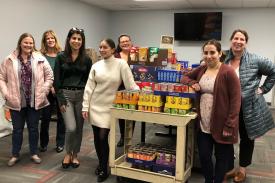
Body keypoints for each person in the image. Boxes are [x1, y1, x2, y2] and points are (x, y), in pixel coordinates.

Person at [181, 39, 241, 183]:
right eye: (206, 53)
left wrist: (230, 124)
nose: (209, 56)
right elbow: (184, 77)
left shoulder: (228, 72)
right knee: (204, 156)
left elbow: (236, 100)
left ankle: (218, 180)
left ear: (220, 53)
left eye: (212, 52)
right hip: (203, 122)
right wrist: (193, 82)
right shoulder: (202, 69)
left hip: (222, 123)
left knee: (221, 157)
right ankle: (209, 180)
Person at [82, 38, 139, 182]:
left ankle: (104, 166)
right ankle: (102, 164)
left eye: (105, 47)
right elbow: (89, 88)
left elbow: (130, 85)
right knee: (97, 138)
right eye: (100, 47)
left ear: (113, 50)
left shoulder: (121, 64)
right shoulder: (96, 65)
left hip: (110, 107)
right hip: (95, 105)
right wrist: (85, 106)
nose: (101, 50)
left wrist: (143, 94)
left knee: (102, 137)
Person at [223, 29, 275, 183]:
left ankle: (242, 169)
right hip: (228, 106)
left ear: (246, 42)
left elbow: (273, 71)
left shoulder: (255, 59)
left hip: (248, 107)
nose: (238, 41)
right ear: (231, 40)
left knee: (246, 138)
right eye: (236, 38)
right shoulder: (224, 58)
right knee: (228, 137)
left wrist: (263, 89)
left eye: (242, 39)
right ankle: (231, 167)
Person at [0, 33, 53, 166]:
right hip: (16, 101)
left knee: (33, 128)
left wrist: (45, 90)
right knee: (17, 129)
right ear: (20, 43)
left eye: (30, 43)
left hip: (35, 101)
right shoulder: (9, 59)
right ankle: (15, 154)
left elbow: (49, 75)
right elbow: (1, 78)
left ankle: (34, 153)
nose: (28, 45)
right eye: (26, 42)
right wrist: (6, 94)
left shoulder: (39, 58)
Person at [54, 27, 92, 169]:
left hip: (81, 95)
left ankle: (75, 154)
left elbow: (89, 81)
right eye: (74, 38)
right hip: (66, 95)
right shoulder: (60, 57)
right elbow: (56, 80)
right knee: (71, 127)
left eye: (79, 39)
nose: (76, 41)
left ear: (82, 41)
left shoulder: (87, 59)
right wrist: (60, 99)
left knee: (79, 128)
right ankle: (67, 153)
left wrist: (88, 100)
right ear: (69, 40)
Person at [39, 30, 65, 153]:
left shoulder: (62, 55)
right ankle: (43, 143)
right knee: (45, 118)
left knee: (62, 118)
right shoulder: (40, 56)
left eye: (52, 38)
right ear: (45, 41)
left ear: (55, 40)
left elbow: (64, 73)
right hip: (46, 91)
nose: (50, 40)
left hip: (60, 91)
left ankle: (60, 143)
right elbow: (39, 74)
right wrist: (50, 87)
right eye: (47, 38)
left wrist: (57, 87)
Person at [114, 34, 135, 147]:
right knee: (122, 115)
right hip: (120, 88)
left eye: (127, 41)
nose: (125, 43)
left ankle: (129, 136)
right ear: (119, 44)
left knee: (132, 113)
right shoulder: (116, 56)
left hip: (134, 88)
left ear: (131, 42)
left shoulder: (136, 54)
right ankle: (123, 136)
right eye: (122, 42)